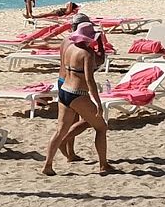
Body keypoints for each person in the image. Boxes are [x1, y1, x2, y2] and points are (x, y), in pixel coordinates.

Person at [41, 23, 113, 176]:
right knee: (101, 127)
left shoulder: (70, 48)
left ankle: (47, 165)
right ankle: (103, 164)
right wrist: (98, 102)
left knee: (60, 130)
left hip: (64, 91)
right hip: (78, 93)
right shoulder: (87, 54)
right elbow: (89, 80)